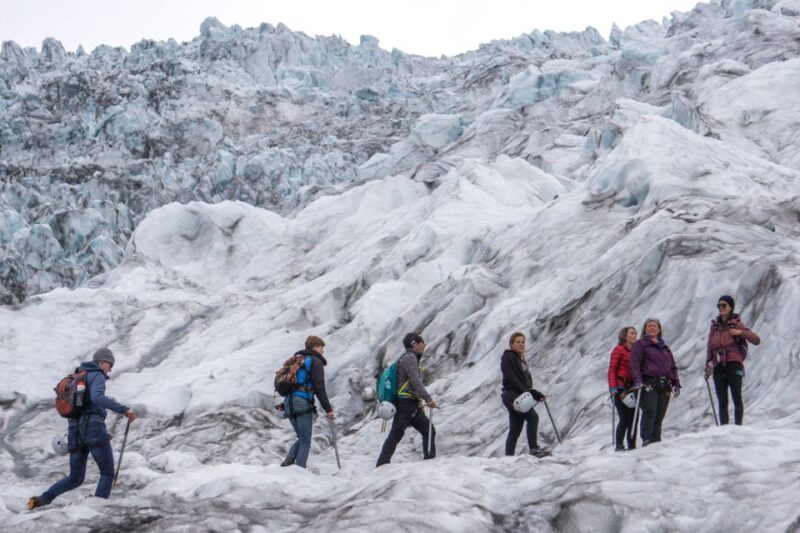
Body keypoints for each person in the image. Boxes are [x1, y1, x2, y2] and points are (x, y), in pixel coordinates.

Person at [27, 348, 137, 510]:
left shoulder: (79, 377)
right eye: (110, 365)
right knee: (107, 473)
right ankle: (97, 511)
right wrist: (124, 409)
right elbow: (98, 397)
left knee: (75, 477)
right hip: (93, 427)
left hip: (74, 430)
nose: (109, 370)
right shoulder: (97, 374)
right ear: (103, 362)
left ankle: (41, 500)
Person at [376, 333, 438, 467]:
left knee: (428, 430)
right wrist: (428, 399)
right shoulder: (409, 358)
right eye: (422, 342)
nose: (424, 345)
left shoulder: (408, 358)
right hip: (405, 404)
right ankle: (382, 464)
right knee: (396, 434)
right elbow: (416, 382)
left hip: (411, 404)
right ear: (414, 344)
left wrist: (419, 401)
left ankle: (430, 463)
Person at [704, 295, 760, 425]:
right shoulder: (714, 327)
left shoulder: (737, 324)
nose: (721, 308)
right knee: (722, 400)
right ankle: (724, 430)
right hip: (718, 366)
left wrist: (740, 333)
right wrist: (708, 366)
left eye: (724, 305)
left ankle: (738, 428)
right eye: (719, 305)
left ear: (731, 307)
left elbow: (756, 340)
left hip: (734, 364)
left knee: (736, 397)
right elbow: (709, 347)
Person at [281, 335, 335, 468]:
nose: (323, 351)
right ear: (315, 347)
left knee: (302, 438)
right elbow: (319, 388)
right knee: (305, 440)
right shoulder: (315, 361)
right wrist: (328, 409)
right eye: (322, 348)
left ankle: (288, 462)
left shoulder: (296, 361)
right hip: (302, 402)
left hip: (288, 402)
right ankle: (299, 470)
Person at [630, 318, 680, 447]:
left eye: (655, 326)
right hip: (648, 382)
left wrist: (676, 383)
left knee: (659, 415)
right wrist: (637, 381)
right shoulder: (640, 344)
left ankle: (656, 441)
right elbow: (635, 364)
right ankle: (647, 440)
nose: (652, 328)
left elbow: (672, 367)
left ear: (659, 329)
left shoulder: (665, 348)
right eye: (649, 326)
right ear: (645, 329)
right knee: (650, 411)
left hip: (665, 384)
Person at [500, 332, 550, 458]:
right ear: (511, 344)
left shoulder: (519, 359)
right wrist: (530, 393)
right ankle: (533, 448)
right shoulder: (509, 357)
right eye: (518, 342)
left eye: (523, 342)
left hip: (517, 394)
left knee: (516, 428)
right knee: (533, 417)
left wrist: (534, 393)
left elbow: (524, 383)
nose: (521, 344)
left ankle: (508, 457)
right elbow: (512, 379)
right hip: (513, 395)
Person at [608, 326, 637, 451]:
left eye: (635, 333)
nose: (634, 335)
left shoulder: (635, 351)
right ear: (625, 336)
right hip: (620, 388)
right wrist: (612, 387)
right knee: (625, 417)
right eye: (631, 333)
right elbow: (612, 369)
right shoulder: (619, 349)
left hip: (632, 388)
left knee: (634, 418)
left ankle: (632, 446)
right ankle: (619, 445)